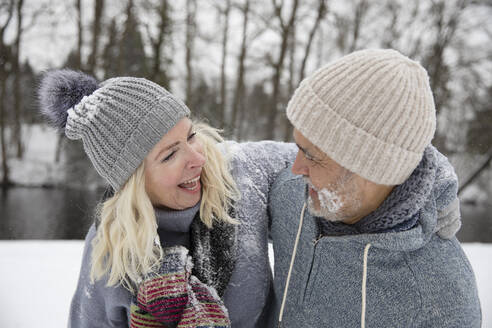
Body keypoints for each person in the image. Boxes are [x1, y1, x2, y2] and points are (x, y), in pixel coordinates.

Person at [37, 70, 296, 328]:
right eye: (170, 155)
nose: (198, 159)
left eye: (191, 136)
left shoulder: (242, 174)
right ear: (134, 182)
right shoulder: (112, 248)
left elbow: (321, 157)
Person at [268, 49, 481, 327]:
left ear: (374, 169)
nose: (296, 168)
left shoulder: (439, 298)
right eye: (298, 147)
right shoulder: (292, 193)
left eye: (312, 156)